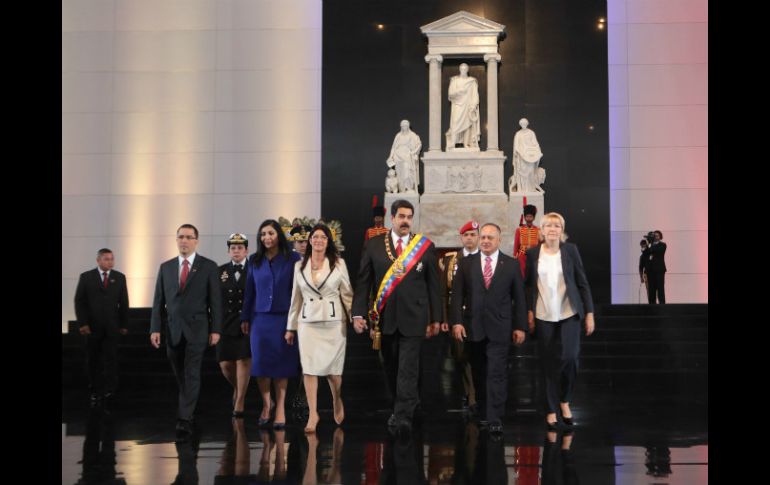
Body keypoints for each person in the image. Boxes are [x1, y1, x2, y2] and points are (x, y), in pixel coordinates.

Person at [352, 199, 442, 437]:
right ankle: (405, 403)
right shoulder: (373, 246)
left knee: (408, 368)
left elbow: (434, 286)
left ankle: (403, 415)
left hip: (415, 317)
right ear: (392, 218)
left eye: (409, 217)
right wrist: (358, 312)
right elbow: (363, 282)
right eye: (401, 216)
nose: (405, 221)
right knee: (391, 366)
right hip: (385, 318)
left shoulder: (424, 246)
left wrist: (436, 317)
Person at [450, 223, 527, 435]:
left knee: (496, 372)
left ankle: (494, 417)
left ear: (499, 240)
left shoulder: (510, 265)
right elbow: (457, 296)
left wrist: (520, 326)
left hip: (500, 328)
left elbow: (519, 298)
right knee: (478, 372)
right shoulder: (466, 263)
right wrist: (456, 321)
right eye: (482, 237)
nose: (485, 241)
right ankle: (483, 411)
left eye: (490, 238)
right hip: (473, 327)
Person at [150, 224, 222, 439]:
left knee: (191, 372)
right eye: (181, 237)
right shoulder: (166, 267)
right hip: (172, 329)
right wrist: (155, 328)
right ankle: (188, 405)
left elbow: (215, 301)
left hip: (198, 329)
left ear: (196, 241)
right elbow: (158, 301)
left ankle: (184, 418)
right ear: (176, 240)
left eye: (189, 237)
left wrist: (216, 329)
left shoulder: (208, 266)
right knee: (181, 374)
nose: (184, 241)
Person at [524, 212, 595, 430]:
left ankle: (564, 399)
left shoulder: (570, 251)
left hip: (569, 313)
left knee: (570, 357)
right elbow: (528, 285)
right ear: (542, 230)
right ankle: (551, 409)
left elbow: (582, 283)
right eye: (548, 225)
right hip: (543, 315)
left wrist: (589, 313)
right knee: (547, 364)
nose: (553, 228)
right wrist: (528, 311)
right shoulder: (533, 253)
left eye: (557, 225)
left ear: (561, 230)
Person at [286, 223, 353, 433]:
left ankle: (336, 399)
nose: (318, 241)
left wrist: (356, 318)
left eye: (323, 237)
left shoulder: (338, 263)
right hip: (307, 323)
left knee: (333, 373)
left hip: (333, 322)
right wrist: (291, 327)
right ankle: (313, 413)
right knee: (309, 369)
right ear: (310, 240)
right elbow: (295, 299)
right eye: (315, 237)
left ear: (328, 241)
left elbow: (347, 294)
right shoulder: (299, 266)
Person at [241, 219, 302, 429]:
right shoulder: (254, 260)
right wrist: (245, 318)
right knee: (261, 365)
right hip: (259, 320)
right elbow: (249, 292)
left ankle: (281, 409)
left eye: (271, 233)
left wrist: (294, 323)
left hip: (284, 318)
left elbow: (297, 291)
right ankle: (267, 405)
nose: (267, 237)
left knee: (282, 365)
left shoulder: (293, 258)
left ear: (278, 235)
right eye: (263, 234)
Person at [74, 248, 129, 406]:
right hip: (92, 327)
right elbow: (80, 301)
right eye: (106, 259)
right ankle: (95, 389)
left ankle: (111, 389)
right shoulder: (86, 277)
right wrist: (83, 323)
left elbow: (124, 303)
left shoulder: (119, 277)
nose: (110, 262)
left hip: (112, 327)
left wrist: (124, 324)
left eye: (112, 259)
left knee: (111, 359)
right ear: (98, 260)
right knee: (93, 360)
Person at [439, 220, 480, 414]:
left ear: (478, 237)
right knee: (462, 357)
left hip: (480, 315)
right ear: (461, 238)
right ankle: (470, 394)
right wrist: (446, 318)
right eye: (466, 235)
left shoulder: (485, 257)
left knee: (479, 356)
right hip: (459, 315)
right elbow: (444, 292)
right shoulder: (451, 260)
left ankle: (476, 395)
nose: (470, 238)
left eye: (473, 234)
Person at [216, 233, 252, 418]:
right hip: (225, 324)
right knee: (225, 364)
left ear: (246, 250)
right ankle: (238, 387)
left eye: (240, 248)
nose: (236, 251)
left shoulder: (254, 269)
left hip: (247, 323)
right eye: (233, 248)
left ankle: (240, 401)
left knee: (243, 360)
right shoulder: (220, 271)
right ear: (229, 251)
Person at [446, 63, 480, 149]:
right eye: (462, 69)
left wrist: (473, 105)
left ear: (467, 70)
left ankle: (466, 144)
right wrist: (459, 91)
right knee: (455, 123)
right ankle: (452, 143)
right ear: (459, 69)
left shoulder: (471, 81)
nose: (463, 70)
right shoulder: (454, 81)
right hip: (457, 105)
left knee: (468, 124)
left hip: (468, 105)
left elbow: (475, 95)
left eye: (465, 69)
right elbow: (450, 94)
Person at [386, 120, 422, 192]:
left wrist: (414, 153)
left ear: (408, 126)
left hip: (407, 156)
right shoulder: (398, 136)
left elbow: (419, 144)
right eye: (402, 126)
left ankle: (408, 188)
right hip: (398, 156)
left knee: (407, 171)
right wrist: (390, 156)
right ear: (401, 127)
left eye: (405, 125)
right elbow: (393, 147)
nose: (404, 127)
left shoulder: (412, 135)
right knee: (399, 173)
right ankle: (402, 189)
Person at [511, 118, 544, 193]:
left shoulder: (531, 133)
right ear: (520, 125)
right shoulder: (518, 134)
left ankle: (531, 189)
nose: (523, 125)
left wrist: (538, 152)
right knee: (522, 173)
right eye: (522, 124)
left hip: (530, 156)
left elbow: (535, 144)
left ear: (527, 123)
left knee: (530, 172)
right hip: (521, 156)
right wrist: (517, 153)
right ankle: (522, 189)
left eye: (525, 123)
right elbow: (516, 146)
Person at [513, 204, 540, 277]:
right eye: (527, 216)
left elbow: (540, 245)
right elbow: (516, 245)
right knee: (522, 274)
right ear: (524, 217)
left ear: (533, 218)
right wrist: (515, 256)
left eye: (530, 216)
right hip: (522, 256)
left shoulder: (538, 230)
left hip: (534, 256)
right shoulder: (519, 230)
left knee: (533, 274)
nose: (529, 218)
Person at [647, 230, 667, 304]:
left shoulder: (663, 245)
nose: (655, 237)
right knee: (651, 289)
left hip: (659, 270)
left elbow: (658, 251)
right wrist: (649, 243)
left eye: (657, 235)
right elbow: (645, 253)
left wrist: (651, 244)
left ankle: (662, 306)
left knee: (660, 288)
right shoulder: (649, 245)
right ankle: (652, 306)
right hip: (650, 270)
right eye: (654, 235)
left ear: (660, 237)